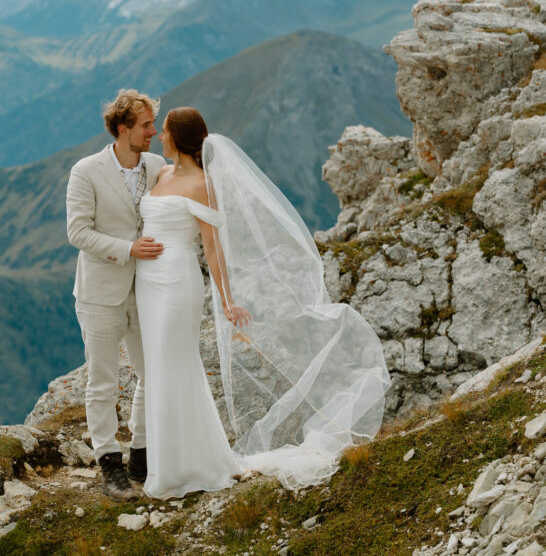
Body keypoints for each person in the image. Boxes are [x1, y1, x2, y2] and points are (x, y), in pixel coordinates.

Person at [135, 107, 391, 499]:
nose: (159, 136)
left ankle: (188, 467)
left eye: (164, 131)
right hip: (147, 283)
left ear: (178, 138)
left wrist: (226, 299)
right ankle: (170, 460)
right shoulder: (161, 173)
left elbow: (212, 246)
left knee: (177, 365)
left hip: (176, 282)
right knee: (157, 366)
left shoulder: (202, 183)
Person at [66, 89, 165, 500]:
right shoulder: (86, 171)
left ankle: (140, 453)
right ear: (123, 128)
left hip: (146, 291)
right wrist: (128, 249)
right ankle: (109, 463)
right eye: (145, 126)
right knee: (103, 382)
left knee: (152, 373)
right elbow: (77, 232)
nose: (153, 133)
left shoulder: (158, 166)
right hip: (101, 293)